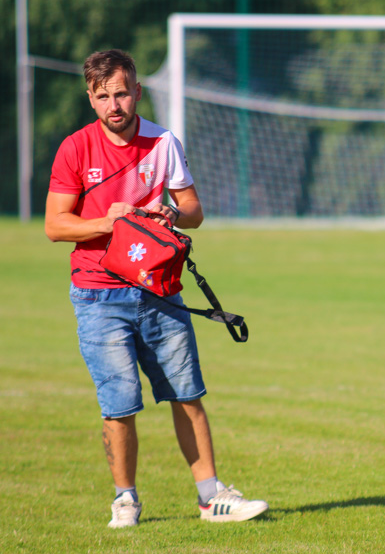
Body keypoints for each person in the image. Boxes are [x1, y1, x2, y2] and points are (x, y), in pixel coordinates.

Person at [45, 49, 269, 528]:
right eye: (103, 96)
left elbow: (195, 211)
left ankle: (212, 497)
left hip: (159, 290)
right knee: (119, 403)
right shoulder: (75, 148)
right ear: (90, 98)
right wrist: (108, 221)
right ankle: (125, 499)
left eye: (121, 92)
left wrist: (172, 213)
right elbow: (55, 225)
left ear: (137, 91)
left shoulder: (163, 142)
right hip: (98, 294)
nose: (114, 105)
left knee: (186, 393)